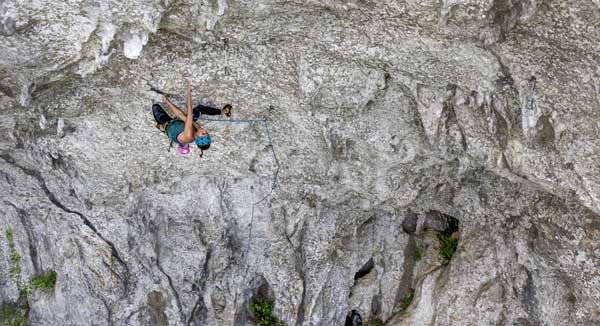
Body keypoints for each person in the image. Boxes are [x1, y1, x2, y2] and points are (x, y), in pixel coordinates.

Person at [152, 80, 232, 155]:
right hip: (179, 124)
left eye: (203, 133)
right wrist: (189, 119)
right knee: (200, 109)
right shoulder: (197, 128)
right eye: (206, 133)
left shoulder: (188, 135)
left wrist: (188, 91)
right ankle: (222, 112)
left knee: (155, 106)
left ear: (197, 137)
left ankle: (162, 128)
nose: (204, 130)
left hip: (168, 124)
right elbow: (184, 116)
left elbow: (184, 112)